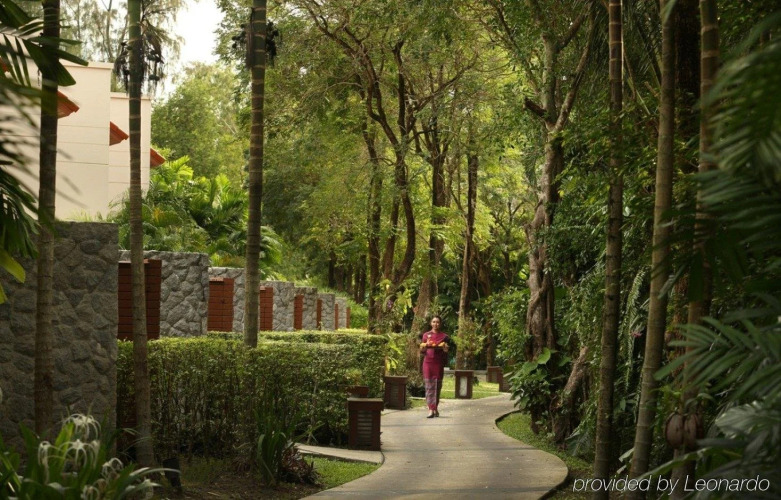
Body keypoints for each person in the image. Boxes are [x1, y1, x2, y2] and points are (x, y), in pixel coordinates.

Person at [419, 315, 449, 418]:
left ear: (440, 324)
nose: (435, 324)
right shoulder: (426, 335)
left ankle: (435, 407)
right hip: (428, 362)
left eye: (437, 322)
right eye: (433, 322)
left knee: (437, 385)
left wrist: (445, 350)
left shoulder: (444, 336)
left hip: (438, 363)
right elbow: (422, 351)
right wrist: (425, 345)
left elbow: (445, 353)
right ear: (430, 323)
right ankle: (430, 409)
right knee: (429, 385)